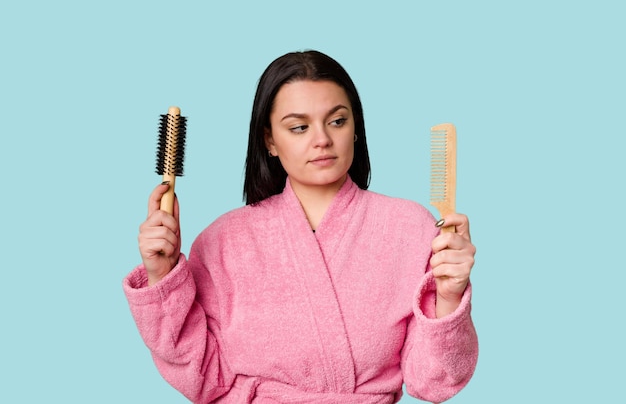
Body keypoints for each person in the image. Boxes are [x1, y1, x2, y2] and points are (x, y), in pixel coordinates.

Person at [123, 50, 478, 404]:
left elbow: (434, 384)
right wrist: (162, 276)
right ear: (270, 141)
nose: (321, 139)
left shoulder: (410, 228)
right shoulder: (223, 241)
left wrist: (448, 297)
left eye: (337, 121)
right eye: (299, 127)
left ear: (356, 128)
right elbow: (202, 379)